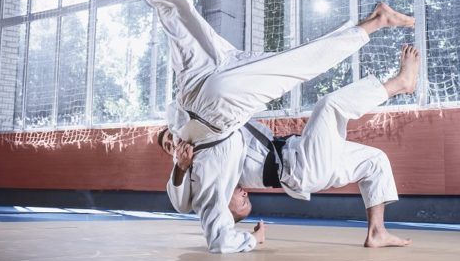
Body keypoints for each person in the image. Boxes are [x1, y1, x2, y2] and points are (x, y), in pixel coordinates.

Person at [91, 0, 415, 252]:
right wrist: (244, 233)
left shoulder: (188, 143)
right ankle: (381, 41)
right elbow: (199, 218)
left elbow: (181, 183)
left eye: (169, 141)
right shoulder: (210, 174)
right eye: (170, 146)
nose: (173, 145)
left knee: (177, 7)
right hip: (227, 111)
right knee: (302, 71)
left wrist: (177, 161)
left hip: (202, 83)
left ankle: (377, 232)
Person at [169, 45, 419, 250]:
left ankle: (377, 232)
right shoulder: (218, 180)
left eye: (241, 201)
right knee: (329, 106)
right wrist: (253, 239)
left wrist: (179, 162)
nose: (245, 193)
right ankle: (400, 84)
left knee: (375, 161)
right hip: (302, 167)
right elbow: (220, 238)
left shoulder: (217, 163)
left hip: (303, 156)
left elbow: (183, 192)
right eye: (245, 203)